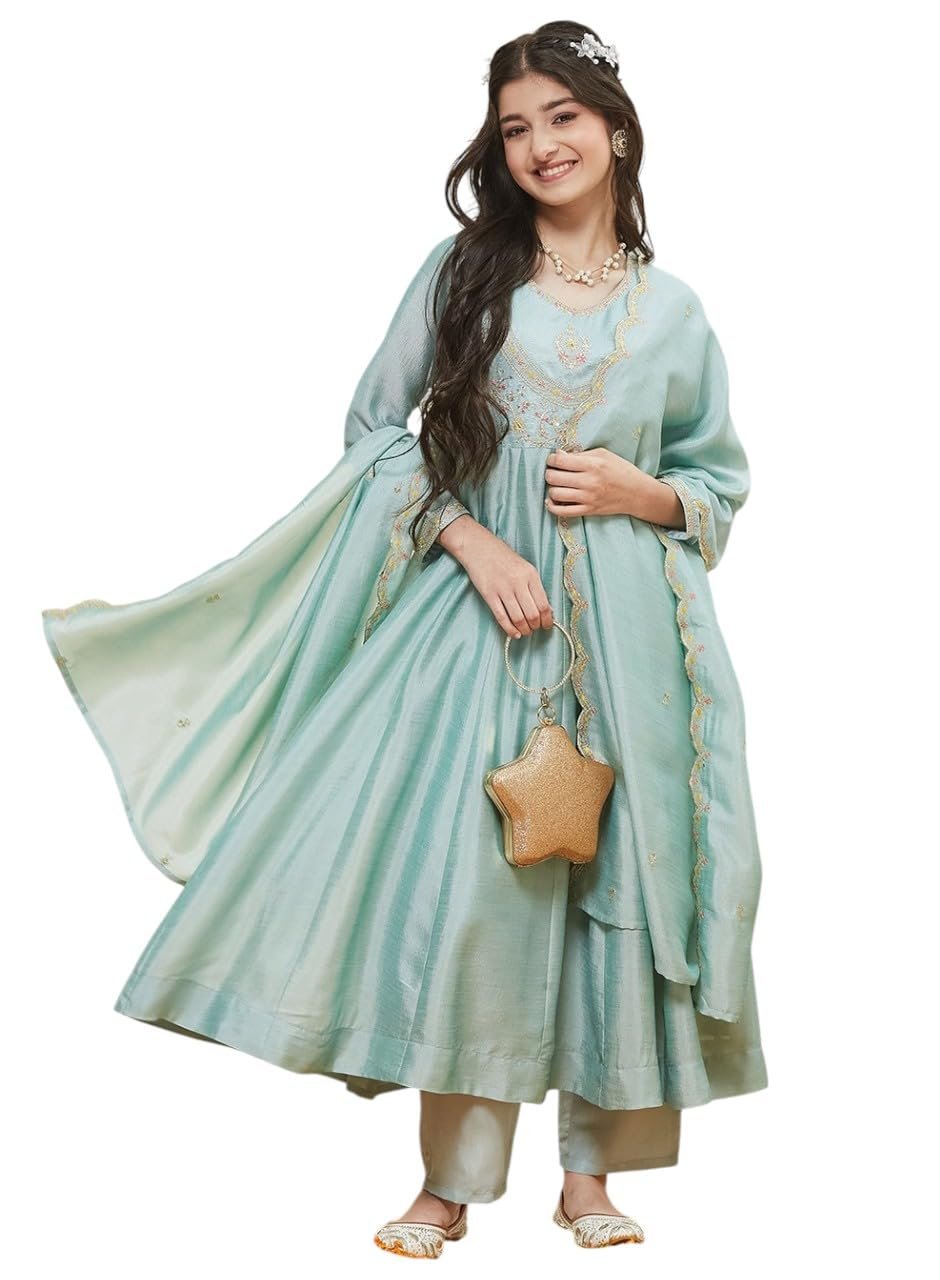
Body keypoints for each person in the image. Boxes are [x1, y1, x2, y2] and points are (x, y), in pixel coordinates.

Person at [40, 20, 768, 1258]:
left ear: (615, 128)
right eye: (515, 125)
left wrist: (641, 491)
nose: (540, 144)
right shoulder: (463, 274)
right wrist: (470, 540)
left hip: (639, 649)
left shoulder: (675, 312)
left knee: (623, 892)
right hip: (481, 635)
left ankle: (591, 1174)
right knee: (481, 892)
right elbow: (379, 430)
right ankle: (450, 1183)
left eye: (562, 116)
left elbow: (716, 483)